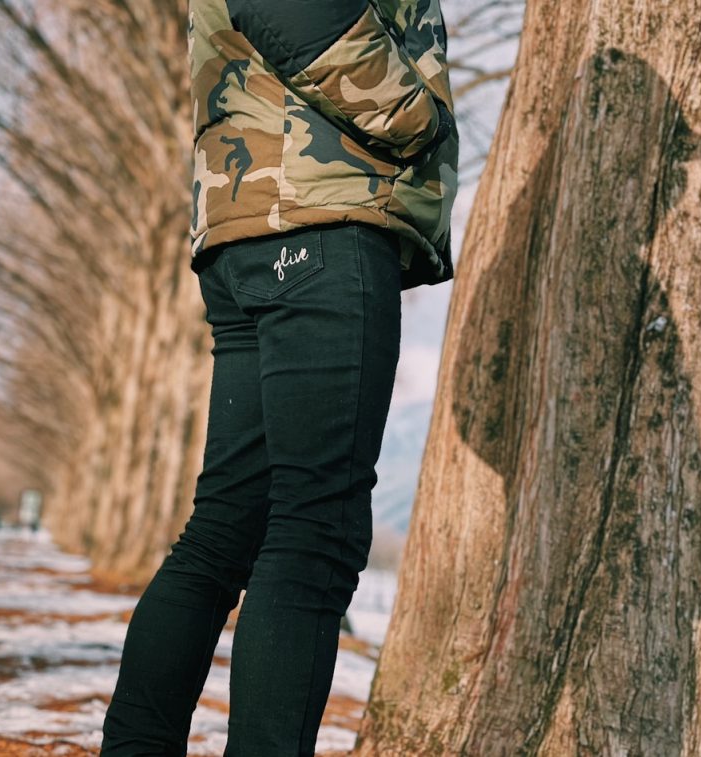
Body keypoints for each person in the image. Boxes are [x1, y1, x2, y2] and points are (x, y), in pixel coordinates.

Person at [101, 0, 458, 754]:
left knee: (224, 531)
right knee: (314, 532)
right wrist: (420, 121)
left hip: (255, 226)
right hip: (318, 219)